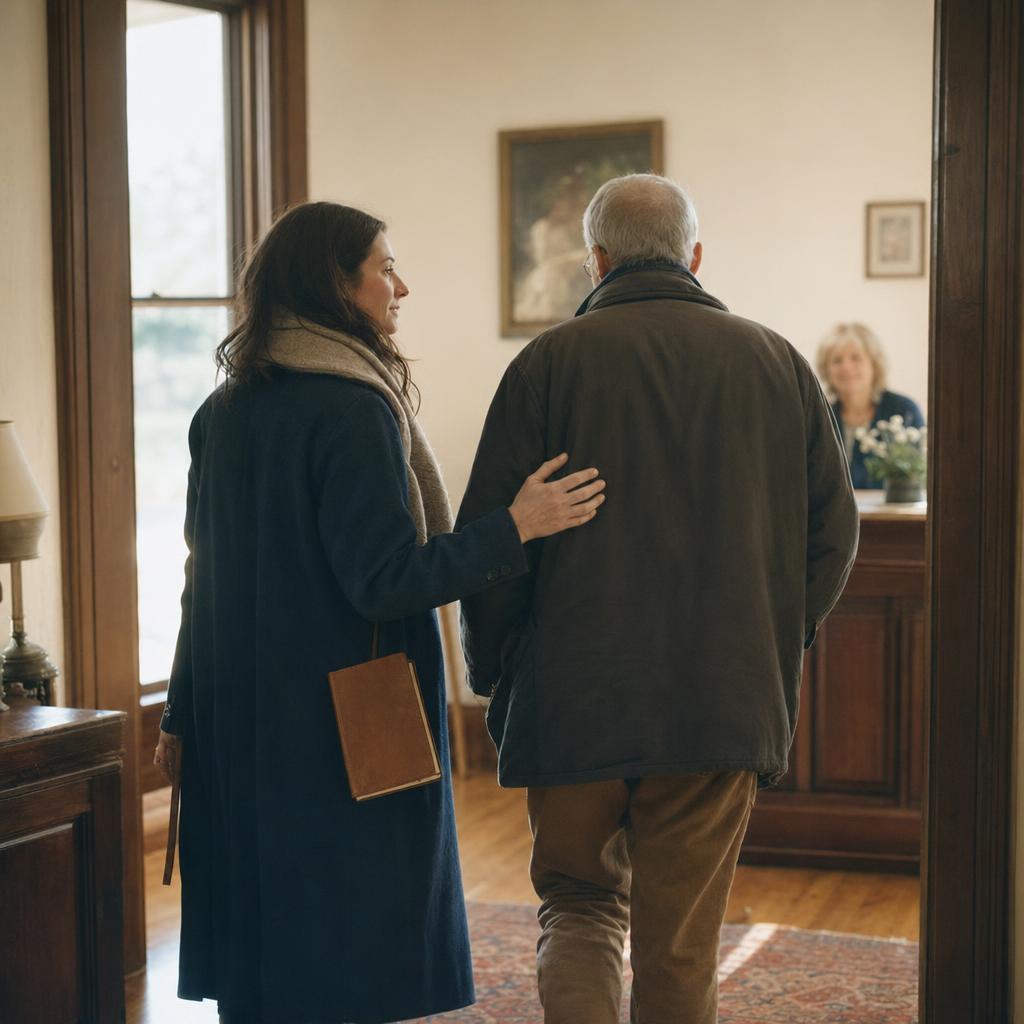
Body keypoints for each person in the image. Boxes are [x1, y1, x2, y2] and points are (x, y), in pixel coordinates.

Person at [151, 201, 606, 1024]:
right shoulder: (352, 409)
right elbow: (388, 581)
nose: (402, 285)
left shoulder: (221, 411)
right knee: (349, 956)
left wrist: (179, 717)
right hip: (338, 728)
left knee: (266, 959)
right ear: (337, 283)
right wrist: (517, 526)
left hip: (234, 717)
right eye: (384, 267)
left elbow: (198, 581)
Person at [457, 174, 859, 1024]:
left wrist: (493, 675)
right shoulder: (779, 363)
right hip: (720, 700)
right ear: (696, 256)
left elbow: (493, 547)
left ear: (595, 259)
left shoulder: (546, 366)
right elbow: (836, 533)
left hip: (573, 698)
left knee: (577, 905)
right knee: (678, 940)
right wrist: (778, 638)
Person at [816, 322, 926, 489]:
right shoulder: (820, 416)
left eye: (856, 358)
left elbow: (920, 476)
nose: (846, 367)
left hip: (892, 514)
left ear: (874, 365)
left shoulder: (905, 411)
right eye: (837, 360)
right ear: (826, 370)